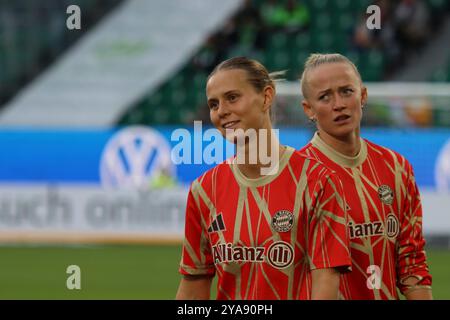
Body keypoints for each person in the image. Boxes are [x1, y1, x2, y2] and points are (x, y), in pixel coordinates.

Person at [176, 57, 351, 300]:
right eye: (214, 104)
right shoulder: (204, 190)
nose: (222, 111)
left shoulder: (318, 181)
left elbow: (326, 284)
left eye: (232, 97)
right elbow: (193, 285)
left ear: (267, 96)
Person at [299, 53, 432, 300]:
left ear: (363, 95)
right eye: (325, 97)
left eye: (346, 91)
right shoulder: (294, 176)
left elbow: (412, 262)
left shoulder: (397, 167)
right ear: (309, 110)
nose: (338, 104)